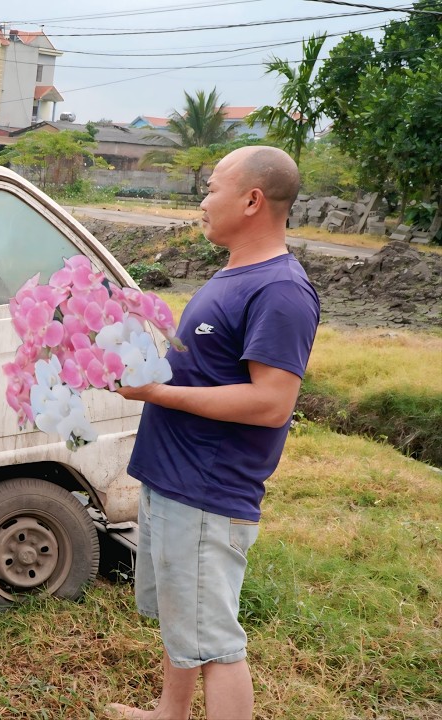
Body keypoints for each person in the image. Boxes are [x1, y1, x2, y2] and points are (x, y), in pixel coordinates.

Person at [107, 146, 320, 719]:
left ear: (252, 200)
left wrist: (155, 393)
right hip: (171, 476)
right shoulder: (233, 273)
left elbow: (272, 403)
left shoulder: (280, 290)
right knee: (186, 621)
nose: (201, 201)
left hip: (206, 490)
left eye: (212, 187)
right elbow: (204, 369)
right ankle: (169, 714)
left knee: (216, 643)